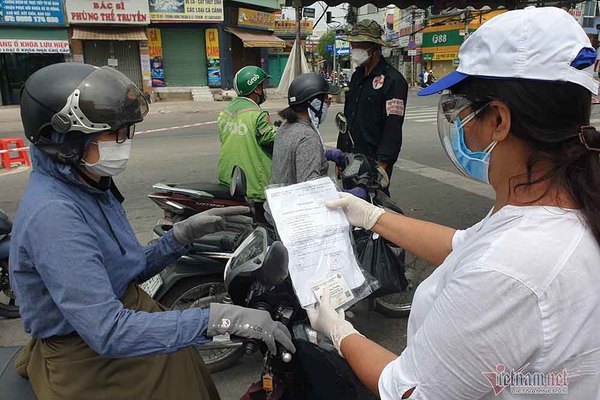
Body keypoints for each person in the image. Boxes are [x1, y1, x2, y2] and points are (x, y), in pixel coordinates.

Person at [308, 7, 600, 399]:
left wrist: (339, 331)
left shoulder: (511, 268)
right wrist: (370, 216)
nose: (459, 123)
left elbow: (409, 392)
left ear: (498, 120)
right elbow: (462, 244)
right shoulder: (559, 205)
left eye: (459, 110)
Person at [10, 63, 295, 400]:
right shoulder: (54, 215)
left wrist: (180, 237)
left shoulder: (89, 184)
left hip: (126, 322)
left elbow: (121, 271)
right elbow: (107, 330)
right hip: (90, 356)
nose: (123, 142)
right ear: (65, 139)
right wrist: (220, 319)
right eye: (113, 133)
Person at [336, 19, 408, 188]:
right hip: (349, 158)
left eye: (359, 46)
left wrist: (382, 166)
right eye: (353, 46)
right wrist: (340, 155)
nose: (354, 51)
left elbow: (393, 127)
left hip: (373, 163)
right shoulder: (357, 76)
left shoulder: (393, 81)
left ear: (374, 48)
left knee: (371, 208)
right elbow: (347, 118)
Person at [217, 66, 277, 203]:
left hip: (227, 181)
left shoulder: (225, 112)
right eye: (262, 86)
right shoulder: (258, 115)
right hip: (252, 186)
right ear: (256, 89)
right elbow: (271, 139)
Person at [271, 73, 337, 186]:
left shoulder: (285, 127)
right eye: (327, 100)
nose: (328, 105)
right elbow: (310, 187)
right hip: (295, 202)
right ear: (315, 104)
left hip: (279, 200)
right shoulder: (307, 137)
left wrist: (322, 154)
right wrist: (345, 194)